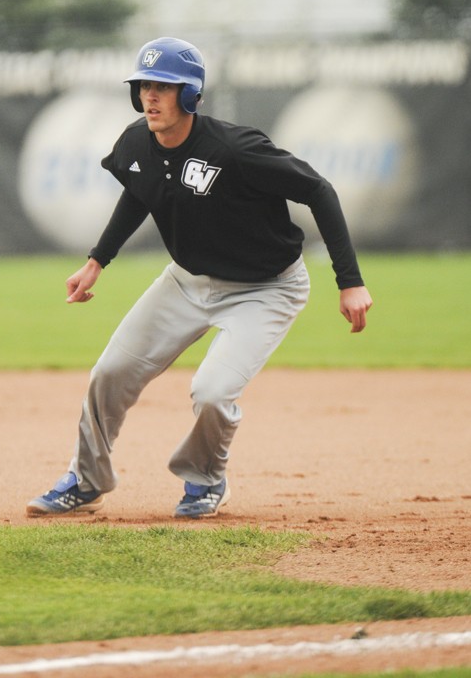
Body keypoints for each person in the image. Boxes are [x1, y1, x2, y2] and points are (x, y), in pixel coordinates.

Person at [26, 36, 372, 520]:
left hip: (266, 288)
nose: (150, 95)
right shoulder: (134, 142)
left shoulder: (235, 149)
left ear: (190, 96)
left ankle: (206, 479)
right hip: (187, 281)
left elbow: (319, 189)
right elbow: (139, 191)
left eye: (164, 86)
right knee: (108, 374)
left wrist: (349, 281)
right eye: (145, 85)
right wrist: (96, 260)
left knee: (211, 391)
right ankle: (87, 480)